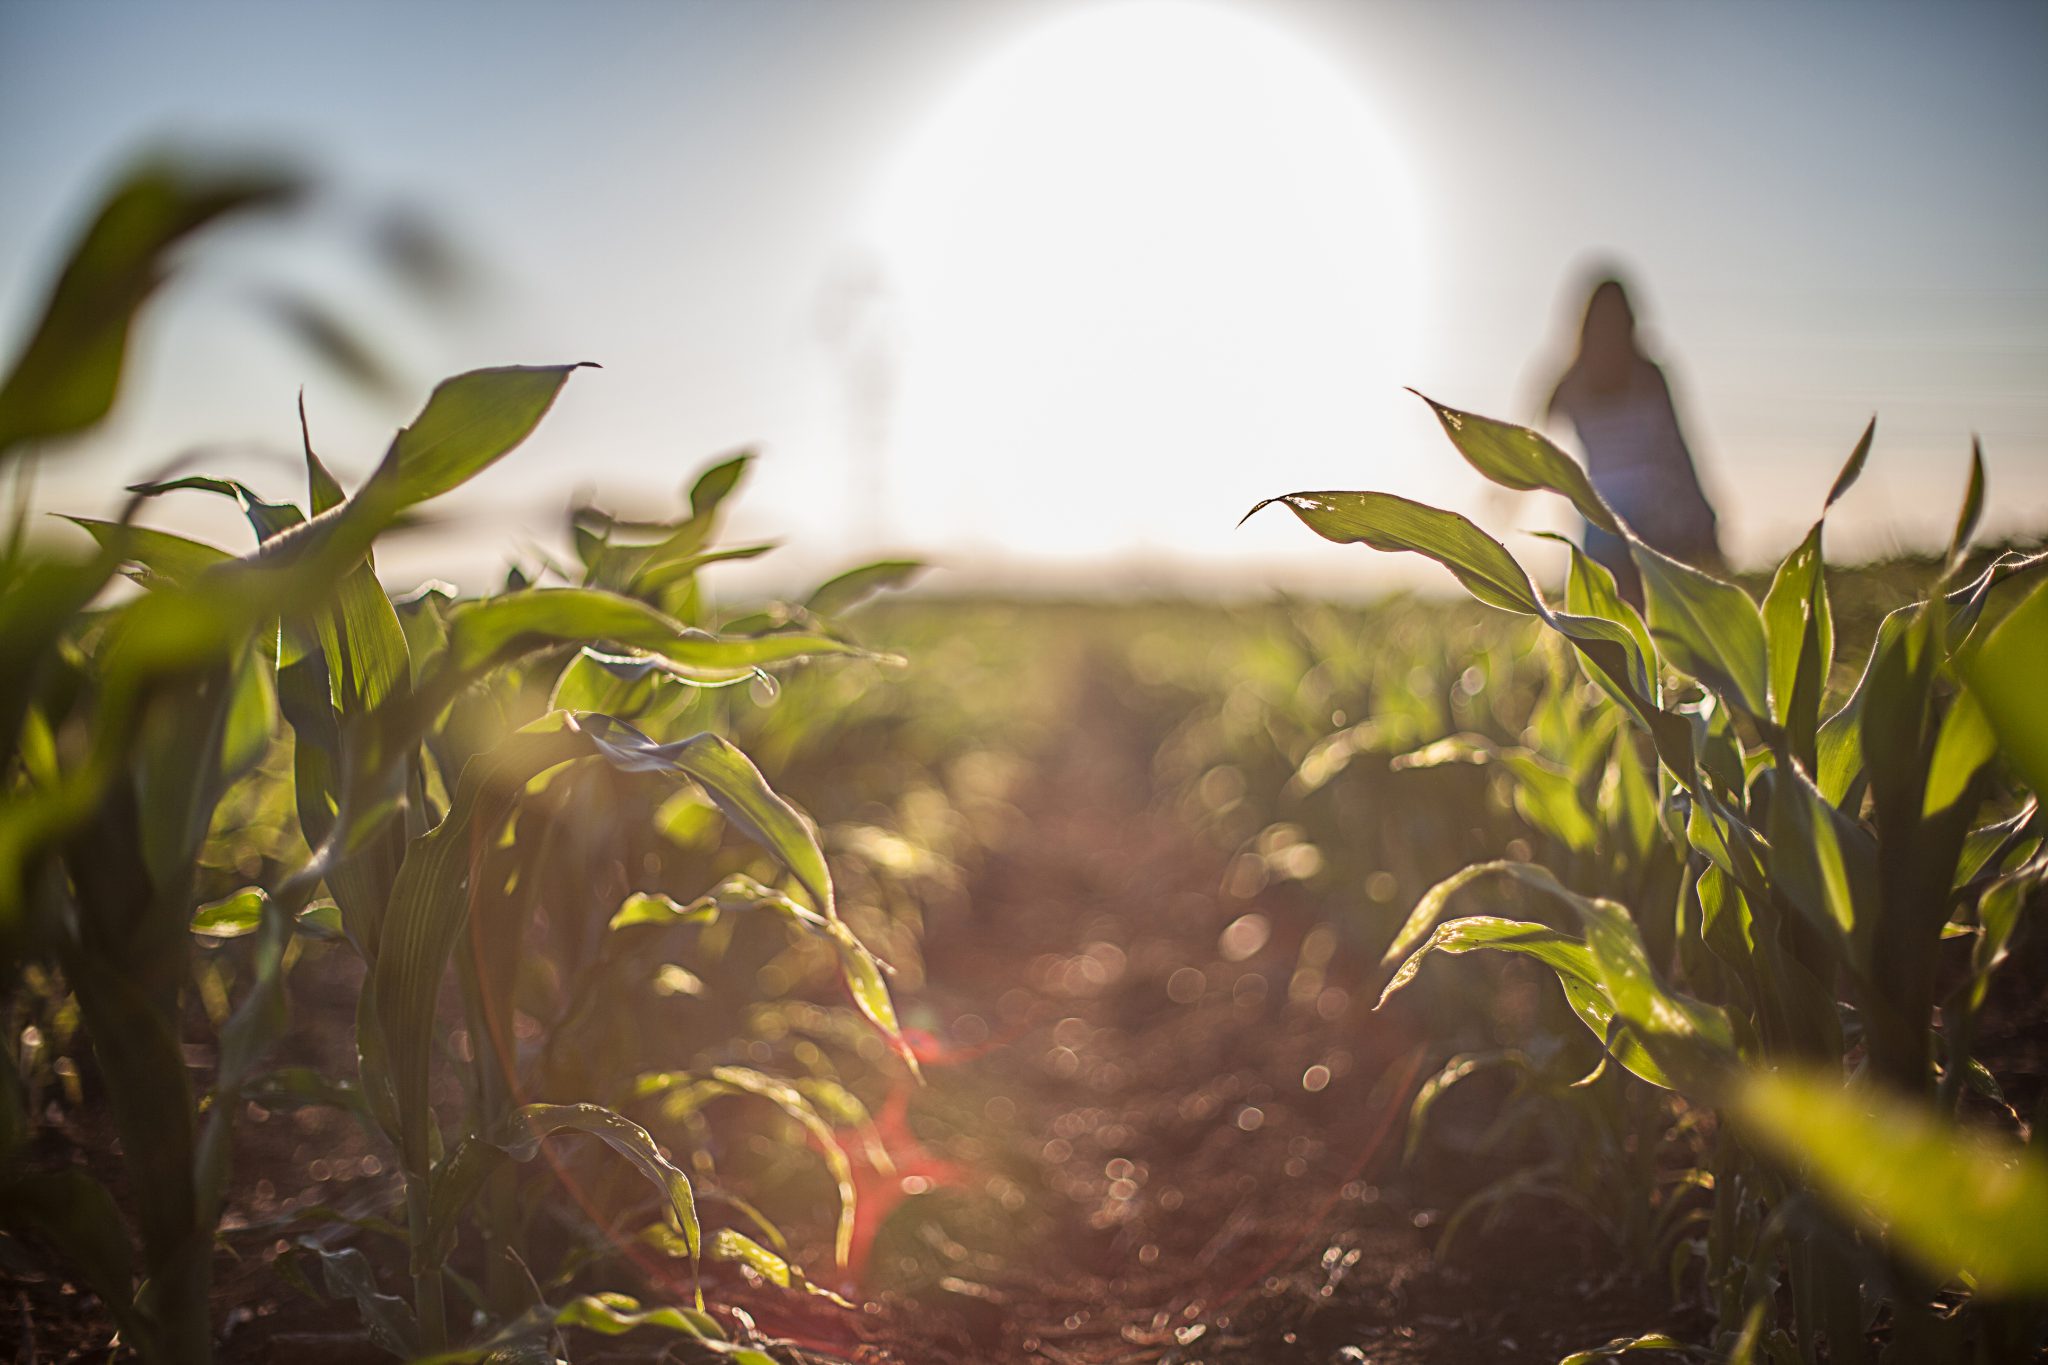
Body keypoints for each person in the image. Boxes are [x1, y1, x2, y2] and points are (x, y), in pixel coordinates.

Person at [1543, 274, 1722, 602]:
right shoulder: (1646, 374)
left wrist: (1511, 489)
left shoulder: (1571, 379)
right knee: (1652, 621)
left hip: (1604, 520)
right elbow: (1678, 449)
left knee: (1614, 624)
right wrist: (1703, 511)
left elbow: (1532, 447)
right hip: (1648, 520)